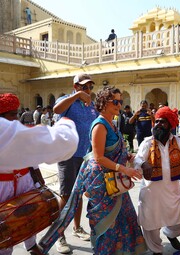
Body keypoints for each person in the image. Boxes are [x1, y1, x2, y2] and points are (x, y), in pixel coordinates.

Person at [39, 86, 147, 255]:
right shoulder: (99, 125)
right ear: (104, 103)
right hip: (103, 184)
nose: (119, 105)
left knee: (122, 220)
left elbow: (112, 151)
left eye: (121, 101)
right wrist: (124, 169)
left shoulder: (112, 123)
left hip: (115, 181)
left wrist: (128, 157)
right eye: (115, 101)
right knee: (105, 224)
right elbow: (99, 157)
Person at [0, 93, 79, 255]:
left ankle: (31, 245)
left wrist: (39, 182)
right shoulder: (7, 130)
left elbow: (31, 159)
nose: (16, 118)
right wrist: (66, 123)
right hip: (3, 187)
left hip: (24, 182)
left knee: (29, 217)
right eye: (12, 114)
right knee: (6, 227)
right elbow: (62, 143)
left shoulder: (13, 131)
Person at [134, 106, 180, 255]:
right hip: (152, 193)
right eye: (157, 121)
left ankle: (169, 233)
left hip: (173, 192)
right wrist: (143, 164)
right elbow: (137, 159)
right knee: (150, 226)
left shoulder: (178, 142)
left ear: (171, 125)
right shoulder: (147, 142)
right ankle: (156, 250)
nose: (158, 125)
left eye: (163, 122)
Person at [53, 73, 98, 254]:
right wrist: (77, 96)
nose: (88, 90)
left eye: (90, 87)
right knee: (65, 194)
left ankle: (77, 228)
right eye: (84, 87)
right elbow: (56, 110)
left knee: (78, 193)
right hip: (67, 154)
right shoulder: (67, 99)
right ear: (75, 86)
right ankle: (59, 235)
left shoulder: (90, 105)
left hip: (84, 155)